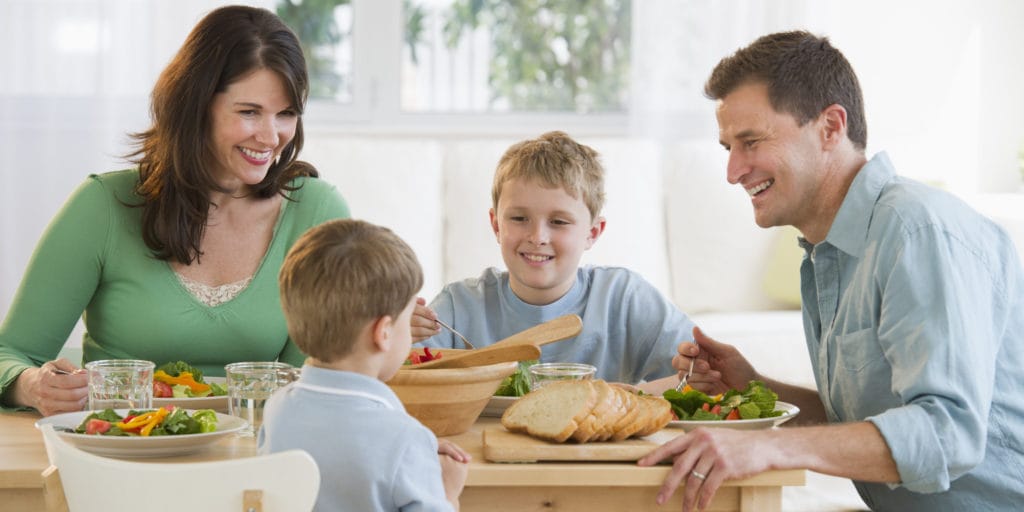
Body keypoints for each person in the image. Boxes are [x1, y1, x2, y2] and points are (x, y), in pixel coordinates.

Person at [639, 30, 1024, 512]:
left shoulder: (917, 231)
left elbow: (948, 434)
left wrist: (766, 446)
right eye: (727, 148)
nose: (733, 171)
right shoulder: (826, 255)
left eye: (751, 141)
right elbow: (866, 423)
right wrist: (758, 389)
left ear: (830, 127)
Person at [0, 5, 349, 416]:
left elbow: (314, 383)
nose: (272, 137)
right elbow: (12, 353)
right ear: (195, 105)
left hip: (255, 460)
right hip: (121, 454)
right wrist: (33, 385)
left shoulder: (316, 211)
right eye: (249, 112)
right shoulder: (104, 206)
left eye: (286, 113)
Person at [412, 131, 696, 393]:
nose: (537, 237)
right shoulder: (457, 308)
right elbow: (406, 382)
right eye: (519, 218)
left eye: (559, 222)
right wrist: (396, 336)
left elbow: (699, 375)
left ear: (592, 232)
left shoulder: (623, 298)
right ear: (496, 225)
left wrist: (627, 396)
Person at [262, 219, 469, 511]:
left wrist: (418, 452)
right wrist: (448, 493)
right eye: (407, 319)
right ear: (383, 333)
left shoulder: (275, 410)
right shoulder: (405, 439)